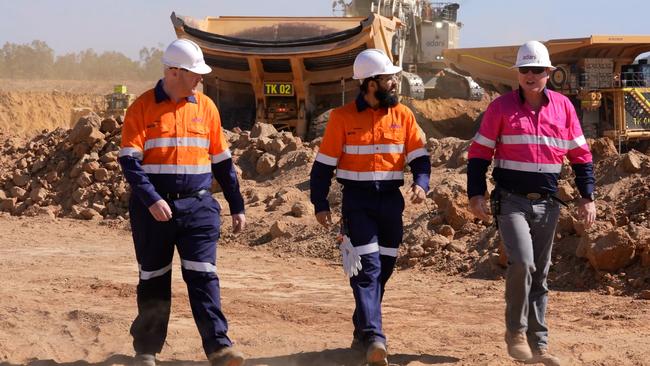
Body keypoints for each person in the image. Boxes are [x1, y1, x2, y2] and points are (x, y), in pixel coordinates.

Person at [467, 40, 597, 366]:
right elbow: (479, 153)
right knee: (523, 263)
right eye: (524, 69)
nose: (530, 75)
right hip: (510, 201)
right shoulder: (500, 108)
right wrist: (476, 193)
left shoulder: (564, 108)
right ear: (518, 73)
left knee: (540, 274)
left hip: (549, 204)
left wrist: (587, 196)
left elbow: (581, 156)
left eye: (537, 69)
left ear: (548, 73)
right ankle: (515, 333)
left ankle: (539, 347)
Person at [118, 38, 246, 366]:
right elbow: (130, 162)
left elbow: (222, 162)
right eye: (194, 73)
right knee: (154, 278)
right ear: (174, 72)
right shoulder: (141, 107)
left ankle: (220, 348)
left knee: (204, 276)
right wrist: (151, 200)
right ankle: (146, 349)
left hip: (198, 207)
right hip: (153, 211)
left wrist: (237, 204)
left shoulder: (206, 107)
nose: (200, 79)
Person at [310, 48, 431, 366]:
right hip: (357, 203)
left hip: (392, 203)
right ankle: (376, 339)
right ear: (371, 83)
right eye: (389, 77)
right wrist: (320, 202)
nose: (394, 82)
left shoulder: (403, 115)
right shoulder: (342, 118)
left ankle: (362, 330)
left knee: (384, 271)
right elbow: (323, 166)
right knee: (368, 270)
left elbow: (419, 155)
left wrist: (421, 182)